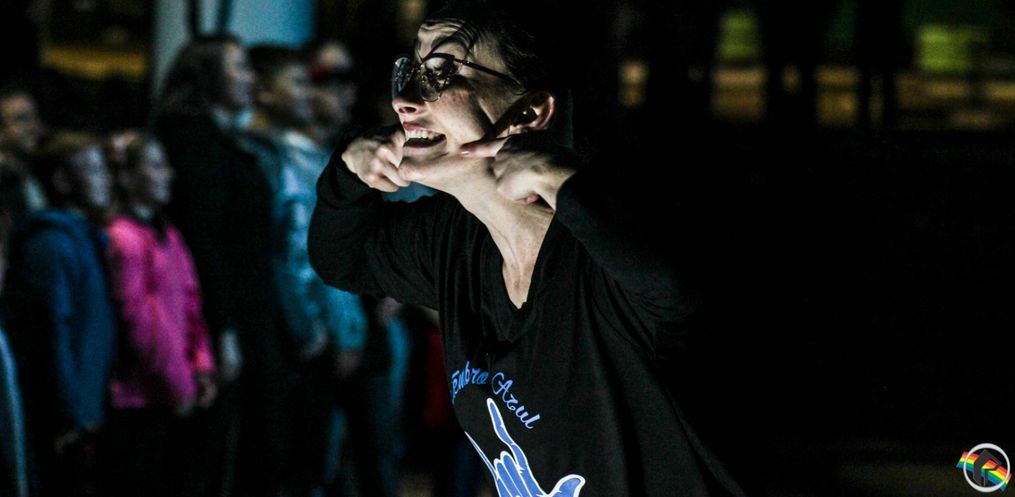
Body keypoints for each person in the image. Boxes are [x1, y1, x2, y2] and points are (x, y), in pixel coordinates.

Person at [308, 2, 747, 496]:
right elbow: (343, 258)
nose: (404, 101)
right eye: (411, 71)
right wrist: (347, 175)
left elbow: (680, 295)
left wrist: (565, 184)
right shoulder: (455, 241)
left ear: (529, 112)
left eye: (442, 72)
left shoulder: (608, 250)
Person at [153, 34, 280, 497]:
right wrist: (222, 331)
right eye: (239, 67)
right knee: (214, 450)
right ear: (208, 76)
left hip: (239, 310)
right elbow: (203, 243)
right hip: (224, 314)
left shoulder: (215, 139)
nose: (250, 78)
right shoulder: (195, 143)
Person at [243, 44, 368, 497]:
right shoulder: (265, 156)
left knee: (313, 459)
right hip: (289, 331)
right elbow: (289, 253)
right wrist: (313, 328)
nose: (307, 93)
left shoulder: (290, 155)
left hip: (309, 327)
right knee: (285, 462)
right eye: (298, 82)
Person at [0, 132, 117, 497]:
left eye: (104, 168)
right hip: (64, 416)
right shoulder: (51, 244)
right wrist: (65, 414)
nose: (105, 179)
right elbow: (50, 333)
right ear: (63, 181)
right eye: (92, 170)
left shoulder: (85, 238)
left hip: (87, 408)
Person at [101, 132, 218, 497]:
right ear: (126, 177)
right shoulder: (123, 238)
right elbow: (140, 324)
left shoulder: (168, 235)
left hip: (175, 392)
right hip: (142, 397)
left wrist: (202, 364)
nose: (168, 173)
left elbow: (191, 303)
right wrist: (180, 385)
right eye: (155, 165)